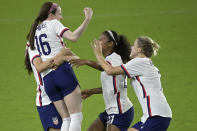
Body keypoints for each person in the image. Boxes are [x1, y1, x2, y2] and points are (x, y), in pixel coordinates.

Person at [27, 2, 93, 131]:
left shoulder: (35, 32)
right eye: (59, 14)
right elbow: (73, 37)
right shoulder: (54, 24)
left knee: (66, 119)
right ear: (51, 14)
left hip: (48, 80)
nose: (61, 18)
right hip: (62, 72)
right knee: (76, 117)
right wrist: (87, 19)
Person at [92, 36, 172, 131]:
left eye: (134, 46)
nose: (131, 47)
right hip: (152, 115)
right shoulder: (146, 64)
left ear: (139, 50)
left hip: (156, 115)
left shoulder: (140, 62)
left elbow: (110, 70)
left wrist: (98, 56)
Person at [70, 30, 134, 131]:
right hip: (111, 110)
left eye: (101, 40)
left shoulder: (115, 59)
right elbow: (111, 87)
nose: (97, 42)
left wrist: (89, 61)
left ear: (110, 43)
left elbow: (105, 68)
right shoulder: (110, 59)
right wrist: (91, 91)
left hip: (120, 111)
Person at [25, 41, 78, 131]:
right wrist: (61, 55)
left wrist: (66, 56)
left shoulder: (54, 39)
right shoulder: (33, 45)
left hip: (63, 96)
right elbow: (40, 67)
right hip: (47, 101)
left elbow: (76, 59)